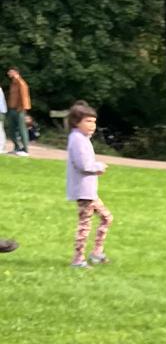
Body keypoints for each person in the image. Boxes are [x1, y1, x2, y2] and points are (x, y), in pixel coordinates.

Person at [65, 101, 113, 268]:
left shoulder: (82, 138)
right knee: (85, 225)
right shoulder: (77, 140)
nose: (92, 125)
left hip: (89, 191)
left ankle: (96, 253)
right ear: (76, 122)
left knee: (106, 218)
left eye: (94, 121)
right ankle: (78, 259)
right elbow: (83, 165)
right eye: (88, 121)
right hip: (83, 191)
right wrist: (99, 167)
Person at [6, 67, 31, 155]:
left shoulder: (21, 83)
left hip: (19, 110)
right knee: (11, 130)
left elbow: (25, 97)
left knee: (22, 130)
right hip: (12, 109)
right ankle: (17, 147)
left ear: (15, 72)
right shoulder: (13, 84)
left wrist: (23, 108)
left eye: (10, 72)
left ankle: (25, 150)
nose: (8, 73)